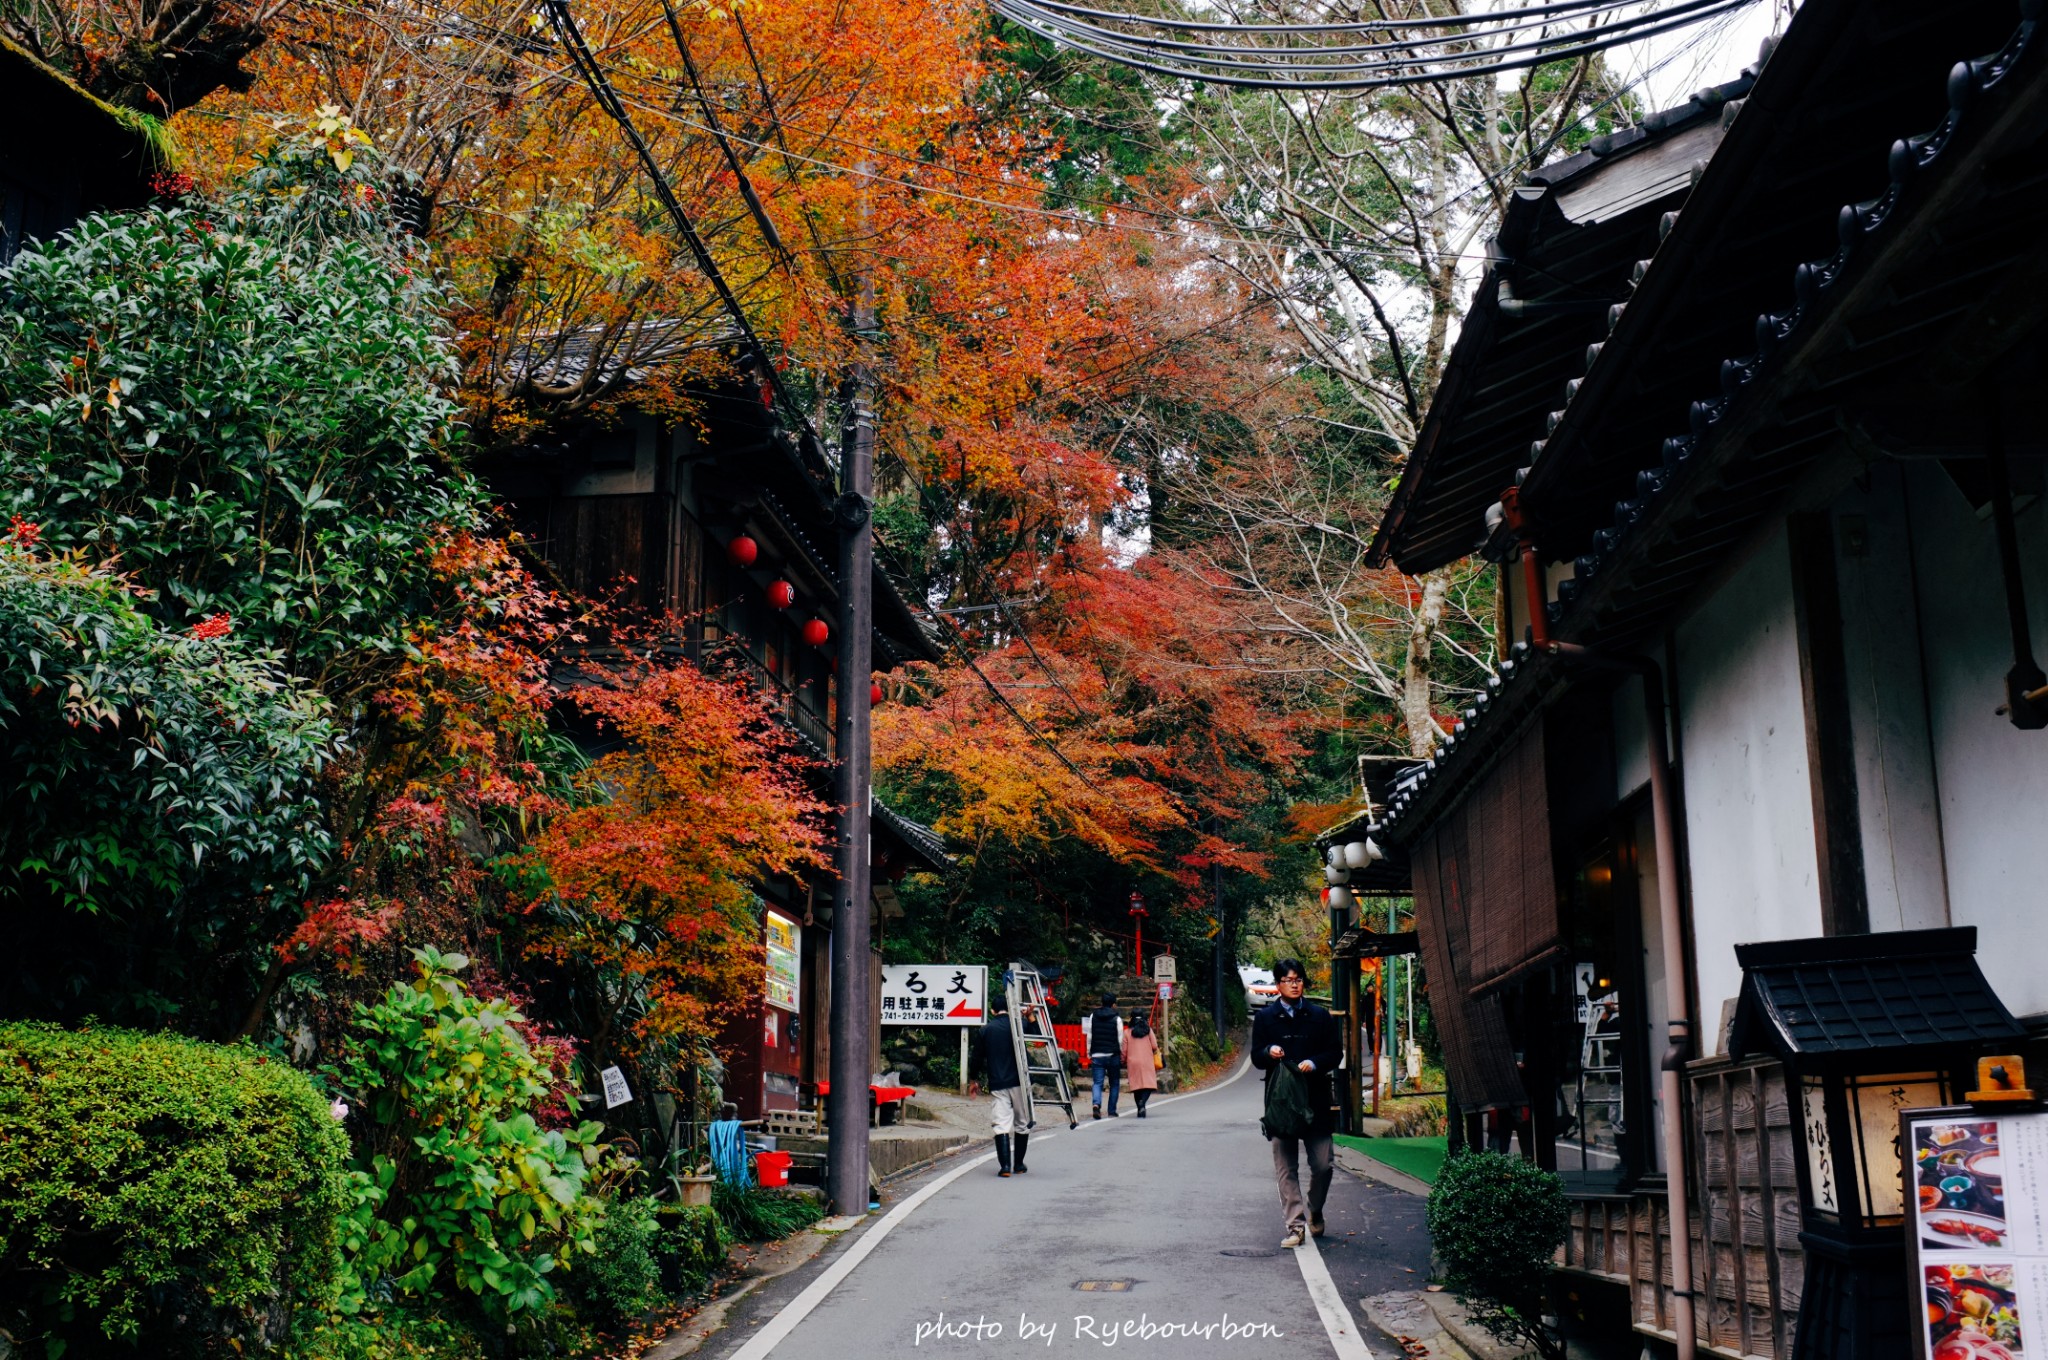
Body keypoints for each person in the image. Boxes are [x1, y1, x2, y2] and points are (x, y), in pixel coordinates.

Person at [1250, 959, 1341, 1248]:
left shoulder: (1319, 1016)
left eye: (1298, 979)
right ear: (1278, 985)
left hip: (1315, 1099)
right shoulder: (1266, 1019)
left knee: (1323, 1164)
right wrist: (1268, 1051)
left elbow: (1334, 1052)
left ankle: (1315, 1207)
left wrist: (1314, 1063)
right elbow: (1255, 1057)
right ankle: (1296, 1226)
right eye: (1288, 979)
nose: (1294, 983)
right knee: (1285, 1166)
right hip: (1282, 1103)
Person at [968, 993, 1030, 1176]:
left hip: (998, 1082)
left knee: (1001, 1124)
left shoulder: (986, 1030)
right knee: (1022, 1122)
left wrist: (974, 1079)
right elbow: (1034, 1030)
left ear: (992, 1011)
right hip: (1019, 1081)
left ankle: (1005, 1167)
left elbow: (977, 1057)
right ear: (1009, 1009)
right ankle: (1018, 1164)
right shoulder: (1018, 1026)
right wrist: (1029, 1015)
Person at [1084, 991, 1125, 1119]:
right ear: (1113, 1004)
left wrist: (1089, 1051)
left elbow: (1089, 1035)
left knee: (1097, 1083)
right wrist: (1121, 1054)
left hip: (1097, 1053)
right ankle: (1111, 1110)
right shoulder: (1117, 1019)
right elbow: (1120, 1039)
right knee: (1114, 1083)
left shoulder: (1093, 1016)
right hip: (1112, 1055)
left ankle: (1096, 1105)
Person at [1122, 1014, 1159, 1117]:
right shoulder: (1148, 1030)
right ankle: (1142, 1103)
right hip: (1147, 1060)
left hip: (1133, 1062)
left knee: (1136, 1086)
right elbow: (1155, 1045)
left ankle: (1140, 1108)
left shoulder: (1127, 1032)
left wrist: (1123, 1061)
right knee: (1149, 1085)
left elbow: (1124, 1051)